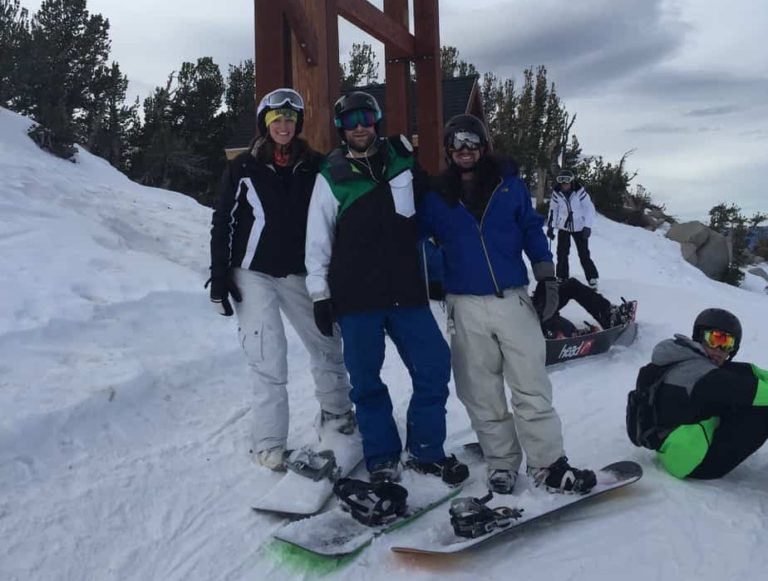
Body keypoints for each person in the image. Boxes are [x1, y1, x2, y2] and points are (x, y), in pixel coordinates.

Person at [418, 113, 596, 495]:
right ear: (449, 149)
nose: (465, 149)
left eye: (472, 141)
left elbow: (532, 229)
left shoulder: (508, 186)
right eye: (457, 142)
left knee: (530, 385)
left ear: (483, 145)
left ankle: (549, 464)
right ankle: (501, 463)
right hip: (463, 304)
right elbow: (419, 239)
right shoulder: (436, 196)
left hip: (511, 299)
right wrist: (431, 277)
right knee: (479, 390)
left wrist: (547, 275)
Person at [304, 91, 469, 486]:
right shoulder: (332, 176)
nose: (359, 125)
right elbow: (317, 240)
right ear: (341, 129)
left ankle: (427, 451)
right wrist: (319, 295)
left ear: (376, 120)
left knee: (433, 366)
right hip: (356, 297)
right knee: (366, 382)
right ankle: (382, 456)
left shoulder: (402, 160)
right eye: (349, 120)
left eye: (365, 117)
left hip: (405, 291)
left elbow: (432, 200)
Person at [208, 88, 354, 471]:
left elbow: (334, 218)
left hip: (300, 272)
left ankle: (338, 418)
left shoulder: (317, 166)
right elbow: (223, 220)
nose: (284, 127)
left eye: (290, 120)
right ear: (265, 125)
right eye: (277, 121)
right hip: (252, 273)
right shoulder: (242, 169)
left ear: (298, 124)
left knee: (326, 341)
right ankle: (269, 444)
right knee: (267, 354)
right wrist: (219, 275)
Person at [636, 308, 768, 479]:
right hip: (691, 462)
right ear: (700, 336)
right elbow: (753, 391)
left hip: (675, 443)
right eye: (714, 339)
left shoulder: (683, 357)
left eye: (727, 344)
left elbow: (749, 372)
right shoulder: (705, 376)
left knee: (738, 374)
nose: (719, 349)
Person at [546, 169, 599, 289]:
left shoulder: (579, 192)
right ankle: (562, 277)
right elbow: (553, 210)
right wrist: (551, 226)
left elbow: (589, 209)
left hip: (579, 226)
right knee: (562, 253)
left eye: (567, 180)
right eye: (561, 180)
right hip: (564, 226)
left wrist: (587, 226)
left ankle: (592, 277)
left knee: (583, 253)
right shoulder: (556, 193)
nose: (564, 184)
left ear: (571, 181)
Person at [538, 278, 635, 339]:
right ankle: (567, 333)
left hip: (529, 304)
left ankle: (608, 315)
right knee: (543, 315)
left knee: (572, 286)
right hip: (528, 316)